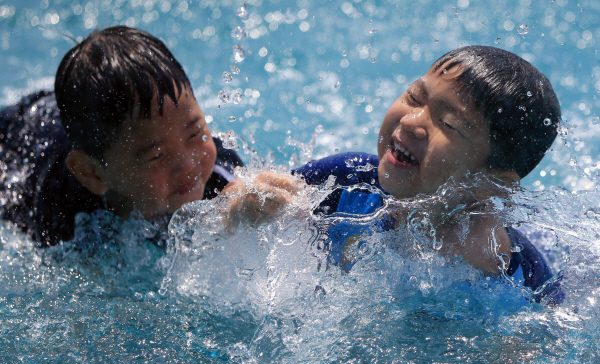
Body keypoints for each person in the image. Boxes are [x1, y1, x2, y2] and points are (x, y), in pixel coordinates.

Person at [223, 46, 562, 304]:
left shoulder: (521, 277)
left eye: (448, 124)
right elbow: (243, 198)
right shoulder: (347, 179)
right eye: (415, 97)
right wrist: (249, 203)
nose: (412, 121)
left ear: (495, 183)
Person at [0, 26, 242, 246]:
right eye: (157, 155)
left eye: (195, 133)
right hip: (20, 134)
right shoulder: (60, 211)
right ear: (93, 173)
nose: (188, 164)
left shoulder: (219, 171)